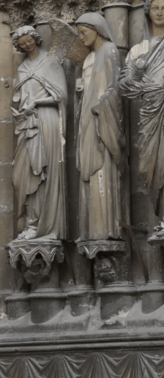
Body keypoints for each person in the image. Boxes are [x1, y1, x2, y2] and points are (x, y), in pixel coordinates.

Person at [10, 25, 67, 241]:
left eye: (28, 40)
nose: (26, 44)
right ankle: (32, 224)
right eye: (21, 43)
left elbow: (61, 96)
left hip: (47, 121)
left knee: (44, 172)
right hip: (28, 124)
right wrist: (21, 106)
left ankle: (46, 226)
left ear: (36, 38)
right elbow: (19, 96)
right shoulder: (22, 68)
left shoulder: (50, 62)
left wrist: (36, 102)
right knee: (25, 175)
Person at [74, 13, 124, 241]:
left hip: (102, 118)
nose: (82, 38)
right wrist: (80, 93)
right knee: (89, 171)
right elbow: (87, 89)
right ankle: (92, 229)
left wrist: (101, 106)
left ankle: (106, 229)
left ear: (97, 29)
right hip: (87, 118)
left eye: (84, 33)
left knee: (102, 168)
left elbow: (114, 88)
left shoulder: (110, 50)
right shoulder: (87, 59)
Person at [121, 0, 164, 238]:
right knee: (152, 169)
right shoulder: (139, 49)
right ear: (147, 12)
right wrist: (137, 71)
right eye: (155, 7)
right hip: (150, 116)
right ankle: (158, 219)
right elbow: (126, 88)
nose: (160, 12)